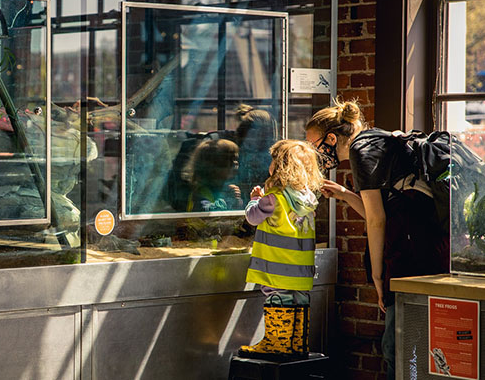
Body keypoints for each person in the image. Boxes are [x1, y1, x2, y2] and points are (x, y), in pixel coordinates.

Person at [304, 100, 448, 377]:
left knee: (399, 345)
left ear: (332, 138)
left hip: (409, 253)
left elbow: (377, 220)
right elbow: (380, 210)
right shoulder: (375, 139)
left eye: (314, 145)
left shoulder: (360, 150)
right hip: (427, 245)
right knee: (415, 340)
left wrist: (379, 277)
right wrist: (345, 195)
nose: (315, 153)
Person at [238, 139, 323, 359]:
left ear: (279, 166)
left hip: (277, 268)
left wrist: (254, 200)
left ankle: (277, 343)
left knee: (278, 298)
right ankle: (297, 344)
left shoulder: (273, 198)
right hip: (301, 269)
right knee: (299, 300)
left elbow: (253, 218)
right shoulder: (309, 199)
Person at [180, 138, 243, 212]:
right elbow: (205, 214)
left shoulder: (224, 188)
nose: (235, 163)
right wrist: (227, 199)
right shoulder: (201, 192)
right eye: (229, 160)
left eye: (236, 159)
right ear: (212, 166)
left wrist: (236, 201)